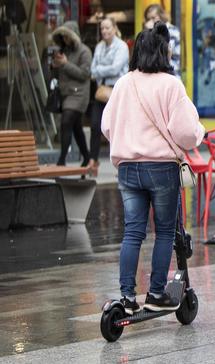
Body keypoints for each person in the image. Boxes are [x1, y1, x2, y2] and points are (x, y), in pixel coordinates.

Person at [101, 22, 205, 314]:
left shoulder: (123, 83)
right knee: (164, 232)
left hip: (128, 169)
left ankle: (127, 298)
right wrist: (199, 133)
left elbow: (107, 125)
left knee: (132, 232)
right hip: (161, 169)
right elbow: (185, 131)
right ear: (162, 52)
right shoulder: (171, 84)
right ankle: (157, 293)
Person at [89, 17, 129, 175]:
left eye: (107, 28)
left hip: (117, 91)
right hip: (102, 90)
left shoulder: (122, 46)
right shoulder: (99, 47)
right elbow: (92, 70)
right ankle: (93, 160)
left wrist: (99, 69)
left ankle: (121, 163)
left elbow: (115, 69)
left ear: (114, 28)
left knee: (117, 128)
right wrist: (100, 70)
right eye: (102, 29)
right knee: (95, 125)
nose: (104, 31)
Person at [51, 21, 92, 167]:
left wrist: (65, 64)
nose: (65, 40)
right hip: (65, 93)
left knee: (66, 121)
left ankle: (62, 160)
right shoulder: (64, 50)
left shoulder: (85, 51)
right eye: (63, 37)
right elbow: (61, 73)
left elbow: (84, 74)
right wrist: (55, 65)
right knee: (76, 128)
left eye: (67, 37)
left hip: (79, 94)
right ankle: (87, 157)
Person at [144, 4, 181, 78]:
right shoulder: (149, 32)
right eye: (148, 19)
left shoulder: (172, 31)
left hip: (172, 75)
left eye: (153, 18)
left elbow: (164, 53)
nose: (150, 22)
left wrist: (152, 33)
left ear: (161, 16)